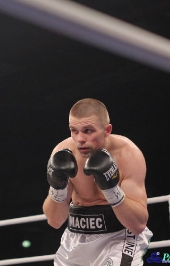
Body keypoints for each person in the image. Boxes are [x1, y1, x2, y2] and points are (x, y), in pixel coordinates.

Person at [43, 98, 152, 265]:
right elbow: (55, 221)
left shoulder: (128, 155)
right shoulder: (64, 153)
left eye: (88, 130)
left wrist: (111, 190)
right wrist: (57, 188)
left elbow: (138, 225)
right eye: (74, 130)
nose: (79, 139)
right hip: (76, 237)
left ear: (106, 130)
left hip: (120, 236)